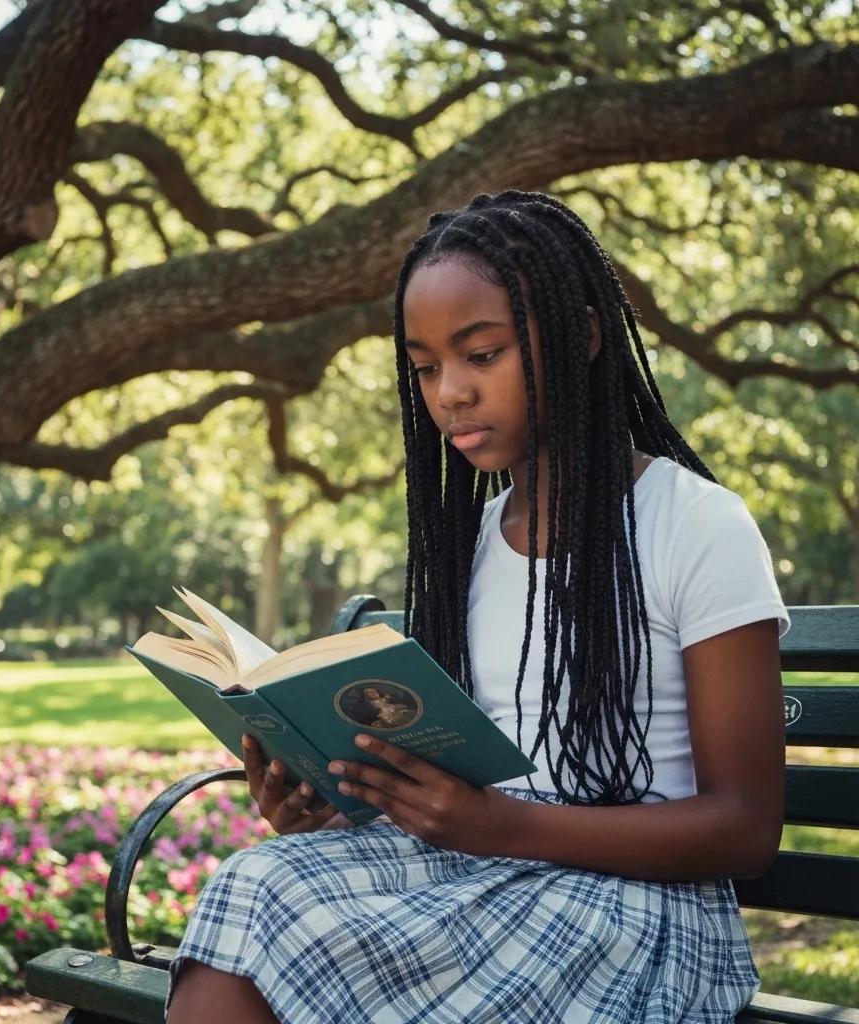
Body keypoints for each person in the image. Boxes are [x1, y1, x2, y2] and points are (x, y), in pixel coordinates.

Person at [164, 190, 790, 1023]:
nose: (449, 392)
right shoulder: (473, 540)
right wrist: (331, 799)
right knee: (254, 887)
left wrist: (494, 827)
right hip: (478, 866)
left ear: (585, 338)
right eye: (425, 367)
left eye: (481, 354)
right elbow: (463, 772)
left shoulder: (698, 524)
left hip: (638, 903)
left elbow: (744, 828)